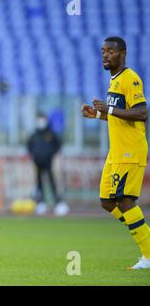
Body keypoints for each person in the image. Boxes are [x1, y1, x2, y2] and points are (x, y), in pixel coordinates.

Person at [81, 36, 150, 269]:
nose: (105, 55)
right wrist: (98, 115)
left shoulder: (130, 79)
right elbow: (119, 116)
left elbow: (141, 113)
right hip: (116, 152)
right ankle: (144, 236)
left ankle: (148, 253)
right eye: (103, 51)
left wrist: (108, 108)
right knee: (107, 202)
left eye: (110, 51)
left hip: (130, 151)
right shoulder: (114, 81)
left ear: (123, 54)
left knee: (125, 201)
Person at [26, 112, 68, 216]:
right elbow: (29, 146)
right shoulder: (34, 135)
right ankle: (41, 204)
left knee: (52, 183)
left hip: (49, 163)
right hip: (37, 163)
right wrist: (33, 155)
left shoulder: (50, 134)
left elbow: (58, 144)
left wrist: (52, 153)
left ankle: (59, 203)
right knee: (39, 184)